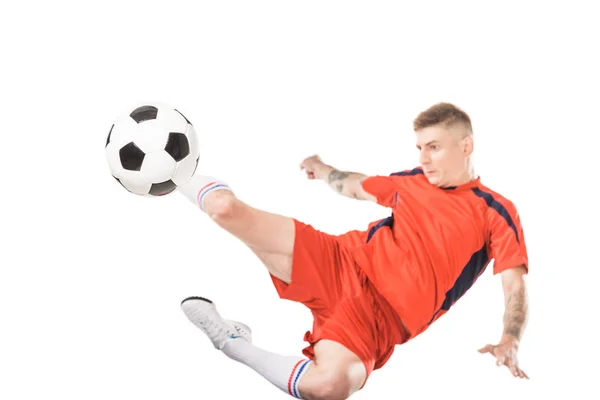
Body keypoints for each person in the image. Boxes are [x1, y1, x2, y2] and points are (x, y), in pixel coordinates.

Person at [178, 102, 530, 400]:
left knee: (328, 386)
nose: (424, 157)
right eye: (420, 148)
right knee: (225, 209)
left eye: (434, 147)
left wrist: (510, 338)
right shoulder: (411, 183)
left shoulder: (495, 211)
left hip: (377, 323)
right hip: (339, 262)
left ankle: (233, 342)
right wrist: (323, 169)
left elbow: (514, 284)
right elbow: (356, 186)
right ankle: (175, 173)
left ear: (466, 146)